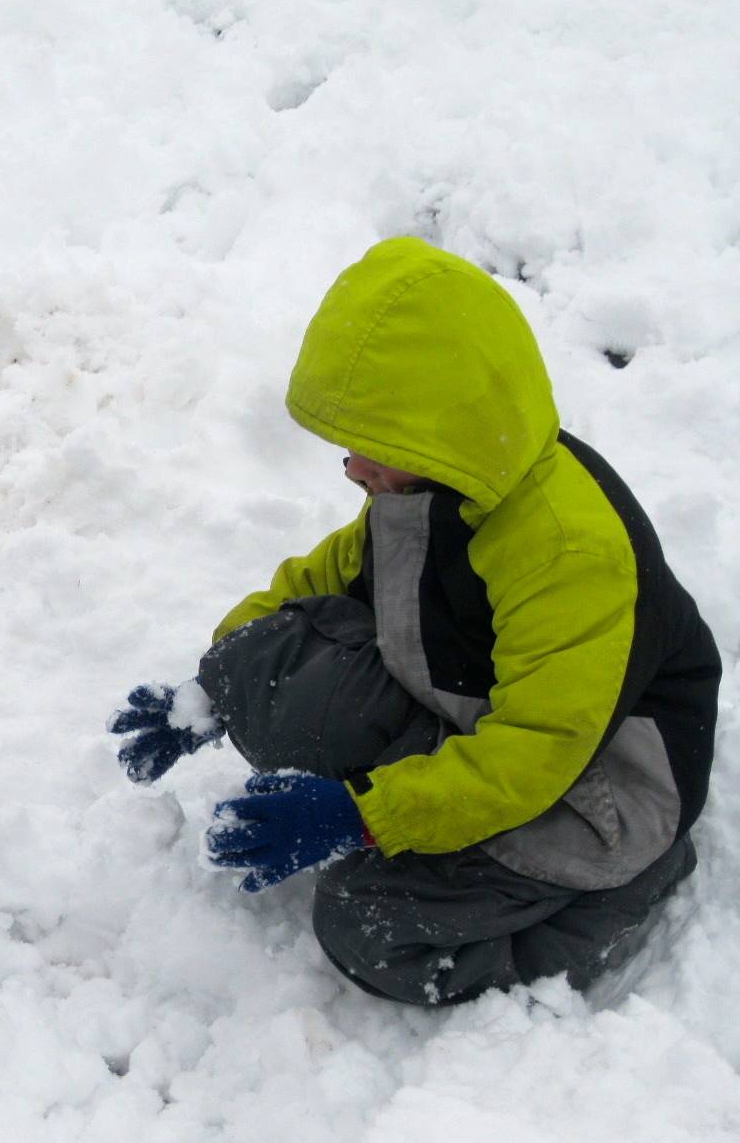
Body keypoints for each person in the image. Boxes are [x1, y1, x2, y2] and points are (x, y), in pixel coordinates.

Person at [110, 236, 719, 1007]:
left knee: (369, 927)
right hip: (478, 712)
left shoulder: (568, 554)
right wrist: (212, 689)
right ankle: (433, 812)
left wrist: (364, 815)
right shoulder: (436, 485)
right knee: (266, 676)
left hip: (598, 786)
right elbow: (317, 584)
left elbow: (531, 758)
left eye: (372, 447)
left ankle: (620, 893)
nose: (353, 469)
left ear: (443, 429)